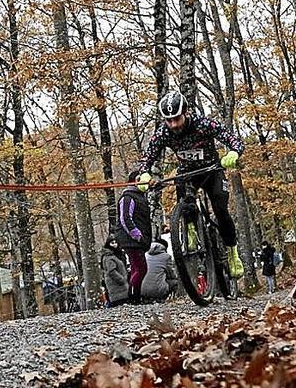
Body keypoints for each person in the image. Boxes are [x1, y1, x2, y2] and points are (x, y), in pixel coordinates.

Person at [136, 90, 245, 278]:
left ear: (186, 112)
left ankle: (232, 251)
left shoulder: (204, 124)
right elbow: (148, 156)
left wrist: (234, 152)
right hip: (187, 173)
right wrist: (144, 173)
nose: (173, 125)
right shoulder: (163, 133)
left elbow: (232, 139)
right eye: (168, 120)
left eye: (177, 119)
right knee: (183, 197)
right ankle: (190, 227)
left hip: (212, 171)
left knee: (221, 209)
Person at [112, 171, 153, 304]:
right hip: (131, 240)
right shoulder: (128, 197)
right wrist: (137, 235)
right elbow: (125, 218)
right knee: (141, 268)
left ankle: (135, 296)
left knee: (137, 268)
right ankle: (134, 297)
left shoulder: (140, 197)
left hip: (136, 240)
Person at [100, 236, 130, 307]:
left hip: (120, 287)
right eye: (112, 243)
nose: (115, 244)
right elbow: (111, 271)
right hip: (116, 288)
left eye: (116, 242)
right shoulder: (108, 257)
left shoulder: (115, 255)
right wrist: (122, 280)